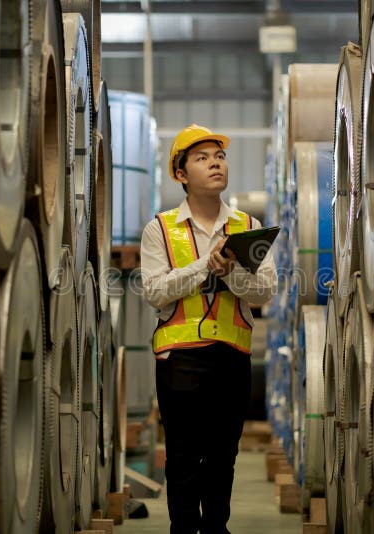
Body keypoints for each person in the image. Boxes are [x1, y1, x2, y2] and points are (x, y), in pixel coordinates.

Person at [140, 124, 278, 534]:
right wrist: (205, 266)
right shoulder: (160, 229)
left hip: (232, 356)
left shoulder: (248, 226)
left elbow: (265, 290)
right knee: (183, 456)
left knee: (222, 456)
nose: (215, 163)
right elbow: (154, 290)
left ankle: (217, 529)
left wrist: (231, 271)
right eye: (202, 158)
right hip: (180, 356)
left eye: (219, 157)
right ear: (181, 174)